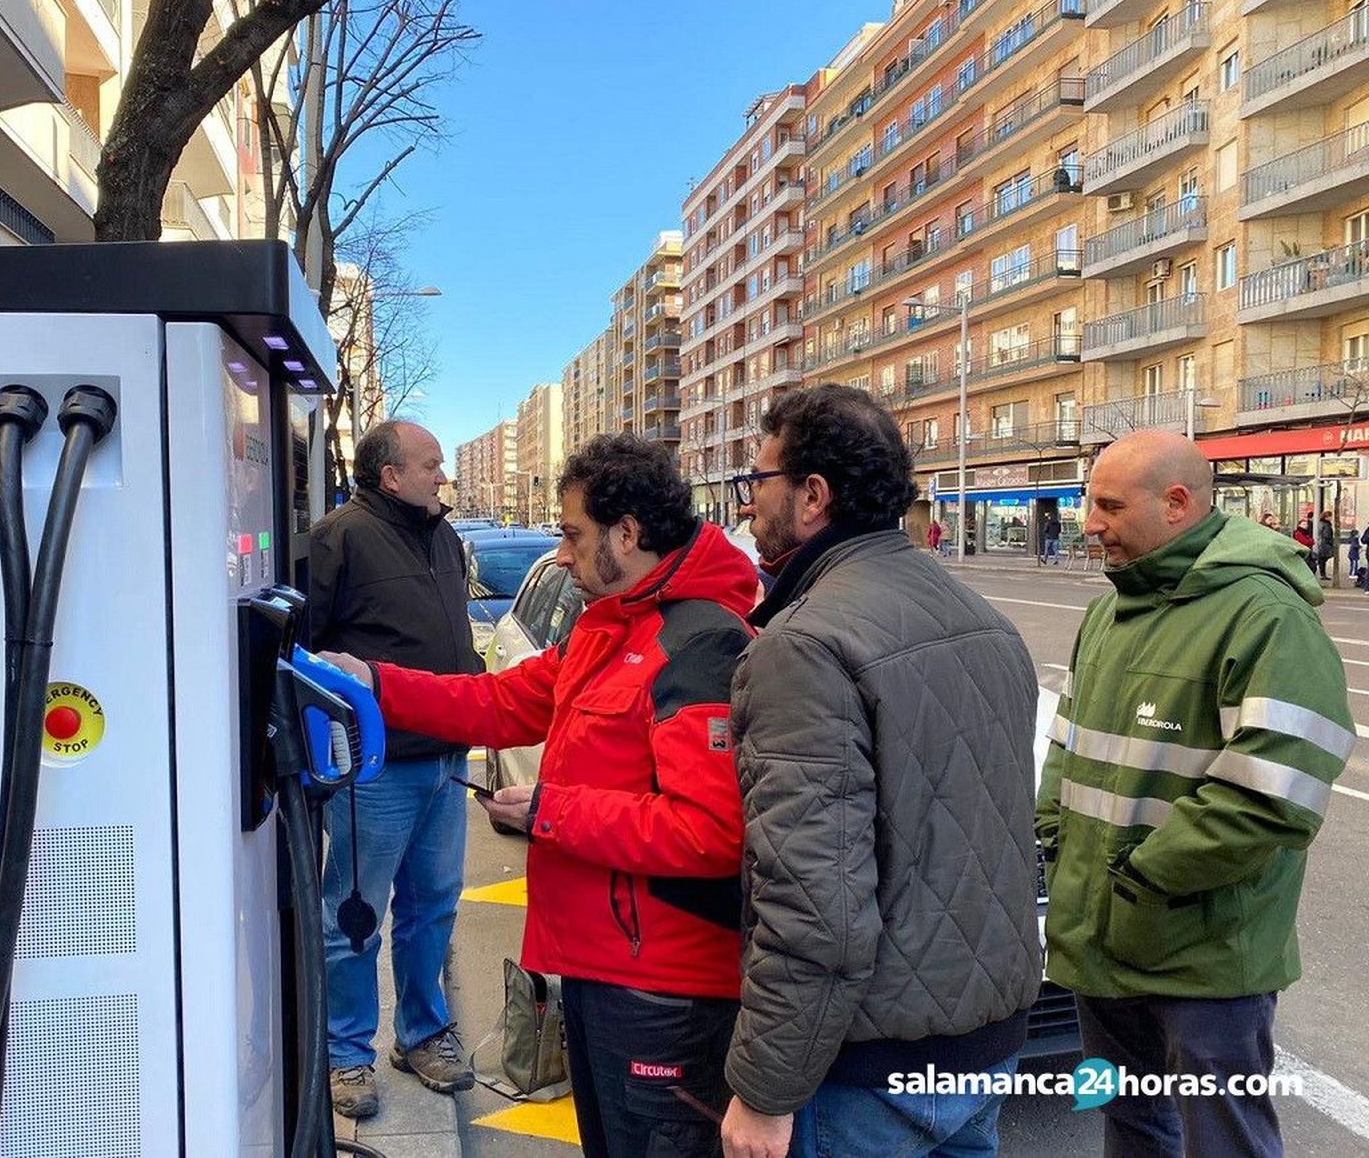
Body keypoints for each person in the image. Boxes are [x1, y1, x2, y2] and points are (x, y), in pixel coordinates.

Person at [324, 433, 759, 1158]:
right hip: (601, 968)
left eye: (571, 534)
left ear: (627, 534)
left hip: (663, 992)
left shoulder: (701, 644)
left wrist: (553, 810)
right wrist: (374, 683)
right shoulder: (606, 627)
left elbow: (709, 833)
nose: (560, 554)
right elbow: (499, 703)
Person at [719, 386, 1043, 1158]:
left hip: (870, 1071)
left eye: (757, 482)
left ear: (813, 496)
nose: (747, 506)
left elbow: (811, 902)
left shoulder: (802, 646)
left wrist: (765, 1092)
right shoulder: (985, 620)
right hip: (986, 1044)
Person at [1036, 431, 1352, 1158]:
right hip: (1102, 933)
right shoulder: (1109, 613)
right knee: (1131, 1121)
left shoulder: (1264, 614)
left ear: (1177, 503)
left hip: (1202, 955)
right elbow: (1069, 746)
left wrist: (1144, 878)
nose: (1090, 523)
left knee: (1224, 1140)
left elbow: (1277, 790)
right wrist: (1055, 837)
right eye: (1090, 502)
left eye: (1110, 506)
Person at [307, 420, 483, 1118]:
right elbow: (309, 652)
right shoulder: (340, 537)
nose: (442, 475)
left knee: (433, 908)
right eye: (431, 464)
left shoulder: (440, 533)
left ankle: (422, 1034)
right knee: (353, 917)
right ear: (391, 475)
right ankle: (345, 1055)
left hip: (444, 759)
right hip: (375, 771)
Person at [1316, 510, 1336, 580]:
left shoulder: (1321, 523)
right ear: (1326, 517)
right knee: (1323, 560)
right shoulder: (1326, 525)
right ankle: (1323, 575)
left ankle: (1322, 574)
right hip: (1325, 544)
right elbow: (1327, 535)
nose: (1331, 518)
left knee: (1322, 560)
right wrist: (1331, 542)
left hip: (1322, 544)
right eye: (1330, 516)